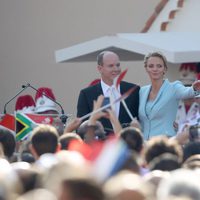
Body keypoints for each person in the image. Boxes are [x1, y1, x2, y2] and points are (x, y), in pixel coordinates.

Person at [138, 52, 200, 140]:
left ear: (165, 69)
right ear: (146, 69)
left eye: (159, 66)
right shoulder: (142, 91)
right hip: (145, 144)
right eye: (151, 66)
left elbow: (187, 92)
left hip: (166, 143)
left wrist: (194, 88)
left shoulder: (174, 87)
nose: (155, 69)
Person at [77, 51, 140, 134]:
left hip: (127, 144)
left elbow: (139, 119)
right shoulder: (86, 94)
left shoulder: (133, 90)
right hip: (99, 144)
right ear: (100, 68)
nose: (116, 69)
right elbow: (82, 128)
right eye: (111, 66)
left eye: (118, 65)